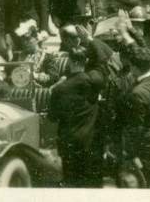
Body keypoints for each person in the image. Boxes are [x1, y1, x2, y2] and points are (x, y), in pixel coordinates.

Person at [48, 40, 113, 188]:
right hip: (91, 143)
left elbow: (52, 117)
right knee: (93, 184)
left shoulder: (59, 89)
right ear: (85, 61)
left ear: (69, 62)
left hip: (69, 144)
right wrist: (92, 41)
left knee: (72, 185)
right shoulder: (94, 83)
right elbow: (102, 63)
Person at [117, 23, 150, 188]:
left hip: (147, 147)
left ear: (135, 67)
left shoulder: (138, 94)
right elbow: (146, 54)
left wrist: (129, 152)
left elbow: (135, 127)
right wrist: (130, 35)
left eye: (132, 66)